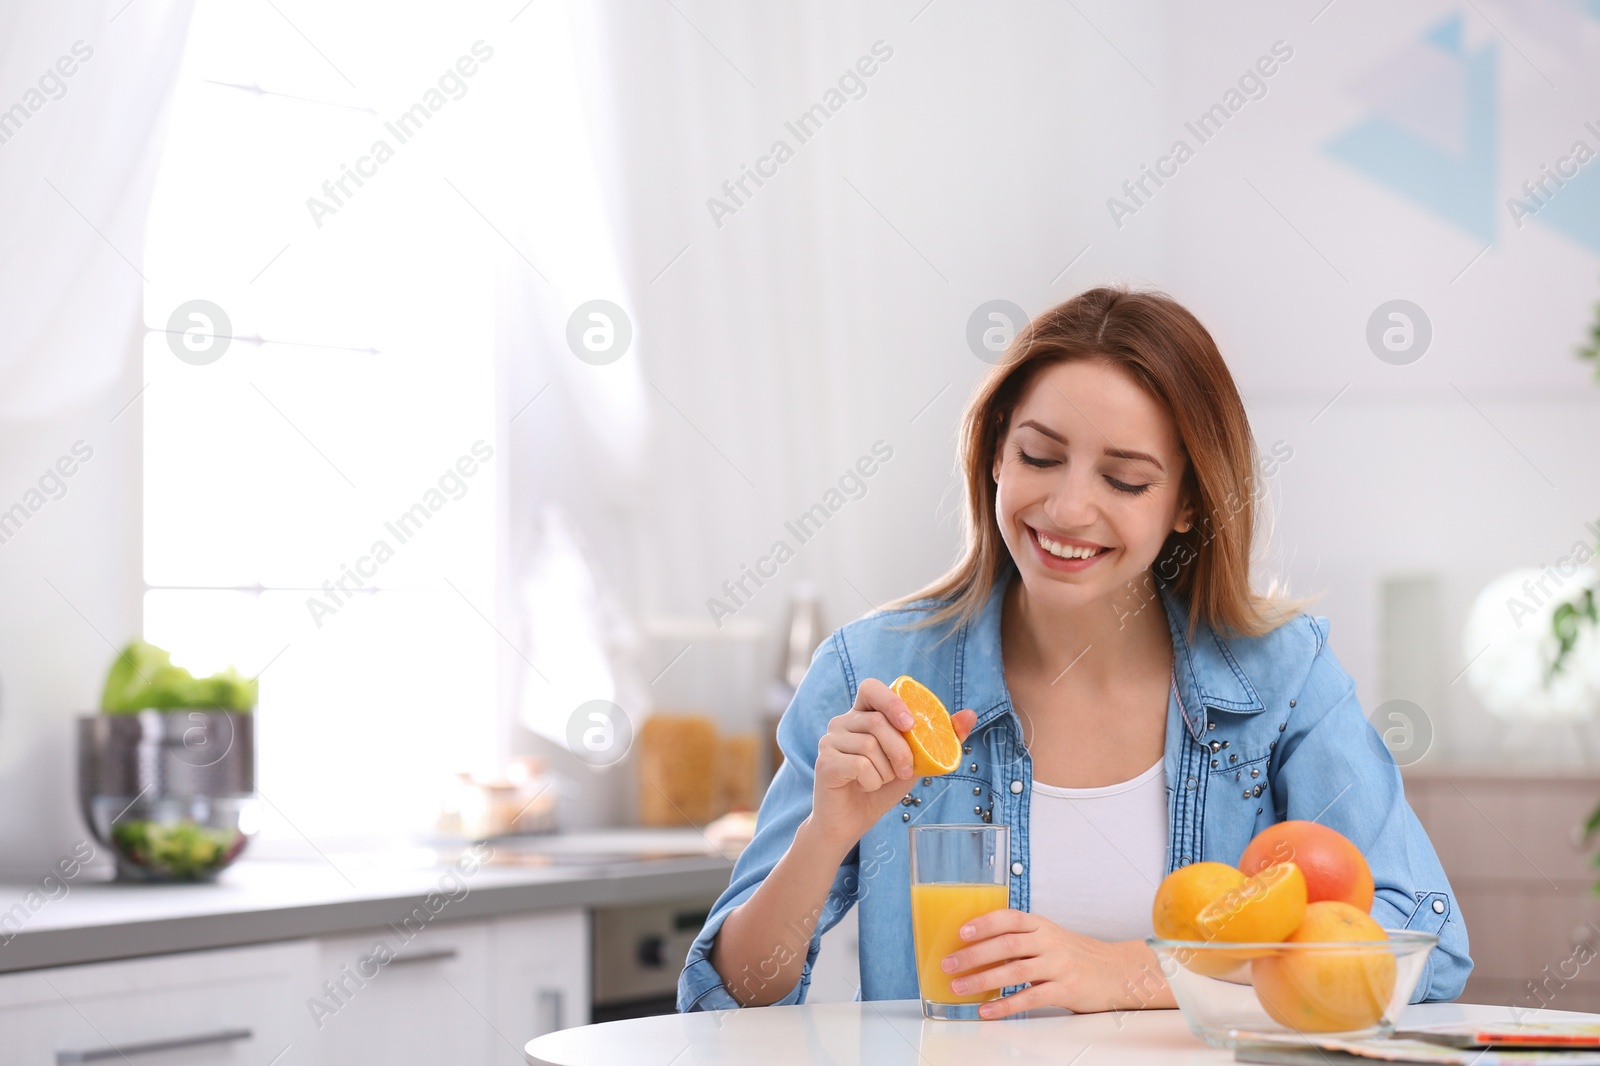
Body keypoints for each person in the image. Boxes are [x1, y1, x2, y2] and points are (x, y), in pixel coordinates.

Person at [676, 286, 1471, 1018]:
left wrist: (1132, 973)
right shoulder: (874, 674)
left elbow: (1421, 952)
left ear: (1189, 503)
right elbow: (730, 997)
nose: (1066, 507)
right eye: (1039, 456)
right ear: (994, 453)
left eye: (1125, 480)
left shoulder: (1283, 678)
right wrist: (826, 833)